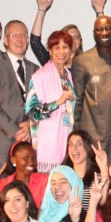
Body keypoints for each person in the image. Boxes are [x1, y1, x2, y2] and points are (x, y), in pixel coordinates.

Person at [72, 15, 111, 161]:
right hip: (92, 132)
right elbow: (78, 100)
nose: (104, 33)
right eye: (100, 30)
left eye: (108, 29)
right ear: (94, 33)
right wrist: (76, 133)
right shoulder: (82, 61)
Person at [0, 20, 37, 168]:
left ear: (27, 40)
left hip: (27, 141)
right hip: (0, 142)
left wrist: (30, 124)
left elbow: (38, 104)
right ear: (5, 40)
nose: (19, 39)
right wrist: (15, 131)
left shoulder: (35, 69)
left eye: (23, 35)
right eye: (14, 35)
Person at [25, 30, 76, 173]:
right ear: (50, 50)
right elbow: (32, 112)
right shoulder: (39, 76)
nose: (61, 52)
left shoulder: (68, 75)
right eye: (57, 47)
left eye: (65, 47)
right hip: (47, 141)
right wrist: (57, 102)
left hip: (66, 136)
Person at [61, 129, 109, 211]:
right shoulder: (61, 176)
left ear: (87, 147)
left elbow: (103, 202)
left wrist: (103, 167)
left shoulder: (97, 178)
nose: (74, 148)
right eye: (70, 144)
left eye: (79, 144)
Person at [0, 141, 48, 207]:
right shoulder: (3, 184)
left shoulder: (44, 181)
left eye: (33, 158)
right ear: (13, 160)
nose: (31, 162)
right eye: (26, 158)